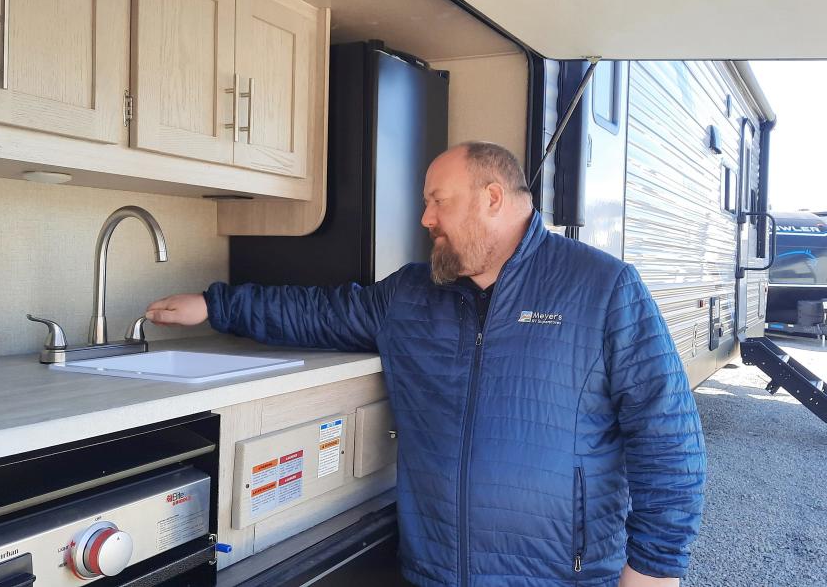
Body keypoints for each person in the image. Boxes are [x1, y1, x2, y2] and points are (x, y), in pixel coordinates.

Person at [146, 142, 706, 587]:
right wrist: (215, 306)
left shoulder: (604, 287)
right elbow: (317, 311)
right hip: (435, 571)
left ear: (491, 197)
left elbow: (667, 438)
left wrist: (655, 569)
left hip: (565, 575)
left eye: (439, 200)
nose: (425, 217)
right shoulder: (411, 295)